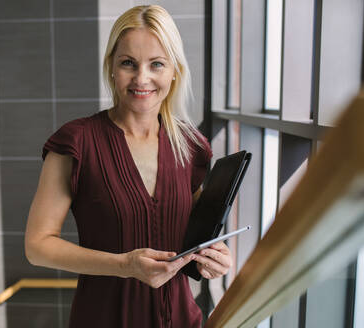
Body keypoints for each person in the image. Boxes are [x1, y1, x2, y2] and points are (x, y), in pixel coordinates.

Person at [25, 5, 232, 328]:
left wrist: (213, 260)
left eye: (156, 64)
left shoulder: (191, 147)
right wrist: (124, 265)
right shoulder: (76, 143)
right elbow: (37, 246)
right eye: (128, 64)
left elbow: (193, 242)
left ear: (174, 70)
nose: (142, 78)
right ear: (111, 67)